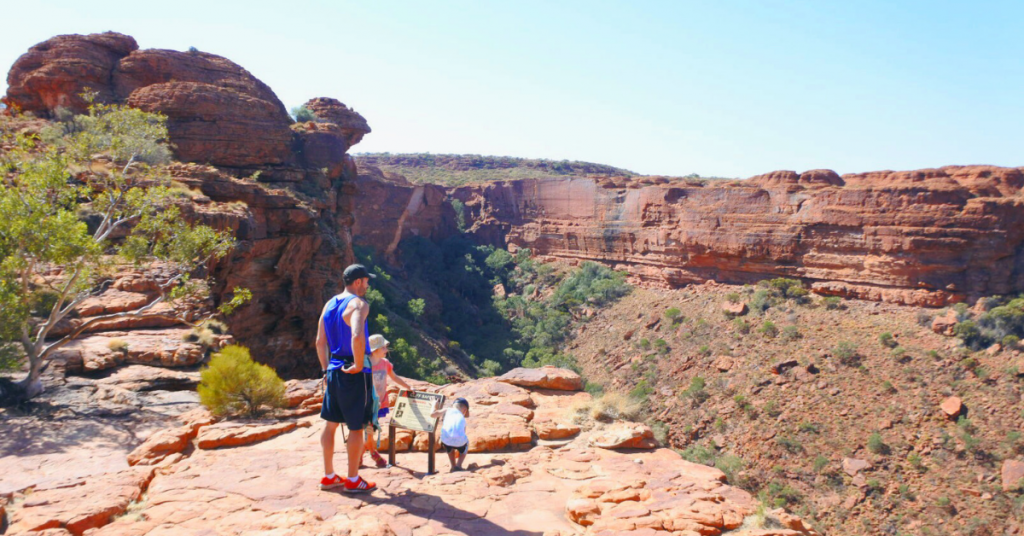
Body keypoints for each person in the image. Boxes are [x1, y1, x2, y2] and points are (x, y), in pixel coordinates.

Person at [316, 264, 377, 492]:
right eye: (366, 281)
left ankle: (329, 475)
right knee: (356, 427)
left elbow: (320, 341)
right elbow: (357, 334)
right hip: (353, 371)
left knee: (330, 423)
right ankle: (353, 479)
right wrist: (359, 364)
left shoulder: (329, 304)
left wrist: (325, 369)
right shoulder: (359, 304)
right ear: (358, 281)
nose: (368, 285)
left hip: (332, 369)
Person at [364, 334, 411, 468]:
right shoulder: (365, 364)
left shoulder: (385, 364)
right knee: (368, 430)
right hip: (368, 404)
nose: (386, 350)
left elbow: (394, 377)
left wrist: (408, 387)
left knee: (369, 430)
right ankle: (373, 453)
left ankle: (363, 455)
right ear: (375, 350)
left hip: (379, 403)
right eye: (383, 347)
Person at [430, 398, 470, 472]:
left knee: (449, 441)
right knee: (466, 442)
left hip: (446, 441)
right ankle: (458, 465)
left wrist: (434, 404)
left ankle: (453, 466)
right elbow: (463, 433)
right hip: (460, 442)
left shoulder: (447, 410)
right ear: (464, 410)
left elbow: (433, 414)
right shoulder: (462, 418)